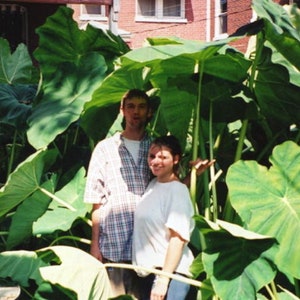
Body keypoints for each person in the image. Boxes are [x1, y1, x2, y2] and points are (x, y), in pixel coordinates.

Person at [84, 89, 214, 298]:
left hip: (147, 253)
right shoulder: (105, 148)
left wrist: (194, 176)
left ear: (149, 112)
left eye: (141, 107)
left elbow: (170, 189)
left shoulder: (154, 147)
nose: (136, 112)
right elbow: (96, 202)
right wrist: (94, 245)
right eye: (131, 106)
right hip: (114, 246)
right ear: (122, 110)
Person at [132, 135, 195, 300]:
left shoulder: (178, 192)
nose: (155, 161)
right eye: (152, 156)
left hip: (170, 275)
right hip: (151, 274)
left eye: (163, 157)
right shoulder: (154, 184)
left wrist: (163, 280)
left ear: (175, 159)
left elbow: (178, 239)